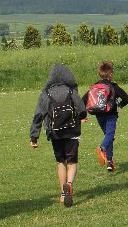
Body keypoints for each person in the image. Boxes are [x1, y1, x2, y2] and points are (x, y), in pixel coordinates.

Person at [30, 62, 88, 208]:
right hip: (72, 131)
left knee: (61, 162)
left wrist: (34, 137)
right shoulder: (71, 91)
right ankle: (69, 184)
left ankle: (63, 194)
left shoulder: (45, 94)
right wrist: (82, 116)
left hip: (55, 133)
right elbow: (81, 109)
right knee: (72, 162)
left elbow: (38, 116)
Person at [83, 60, 128, 172]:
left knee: (108, 136)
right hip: (110, 115)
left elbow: (83, 100)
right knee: (110, 135)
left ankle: (109, 162)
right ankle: (102, 149)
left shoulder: (94, 87)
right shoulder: (113, 86)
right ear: (111, 74)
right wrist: (119, 105)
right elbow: (126, 98)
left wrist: (83, 114)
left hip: (99, 115)